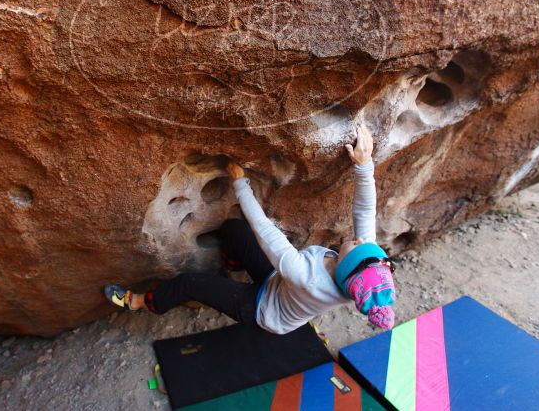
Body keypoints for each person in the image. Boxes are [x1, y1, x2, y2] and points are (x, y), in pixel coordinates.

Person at [104, 123, 396, 333]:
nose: (359, 240)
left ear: (347, 268)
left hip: (263, 310)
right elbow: (365, 211)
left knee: (192, 283)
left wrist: (240, 182)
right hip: (277, 284)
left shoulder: (306, 276)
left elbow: (265, 230)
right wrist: (364, 164)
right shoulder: (357, 267)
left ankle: (140, 301)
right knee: (233, 230)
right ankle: (230, 269)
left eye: (358, 245)